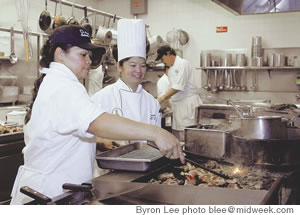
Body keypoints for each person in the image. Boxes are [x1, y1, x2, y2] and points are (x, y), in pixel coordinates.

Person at [10, 25, 184, 205]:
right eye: (83, 55)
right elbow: (96, 122)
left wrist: (97, 144)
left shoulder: (60, 82)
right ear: (60, 54)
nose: (88, 61)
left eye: (90, 56)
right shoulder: (62, 86)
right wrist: (156, 133)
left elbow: (60, 135)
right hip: (50, 194)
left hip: (61, 191)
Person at [92, 19, 161, 151]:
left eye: (142, 65)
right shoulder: (100, 98)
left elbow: (156, 142)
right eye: (133, 65)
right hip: (109, 169)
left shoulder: (152, 103)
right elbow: (86, 135)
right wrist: (100, 142)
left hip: (145, 167)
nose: (138, 71)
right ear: (119, 66)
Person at [155, 45, 203, 141]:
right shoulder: (172, 68)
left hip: (187, 105)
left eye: (162, 58)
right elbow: (172, 88)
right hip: (179, 107)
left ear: (168, 54)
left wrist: (161, 98)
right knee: (179, 137)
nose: (162, 62)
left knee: (189, 137)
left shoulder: (183, 64)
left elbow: (178, 87)